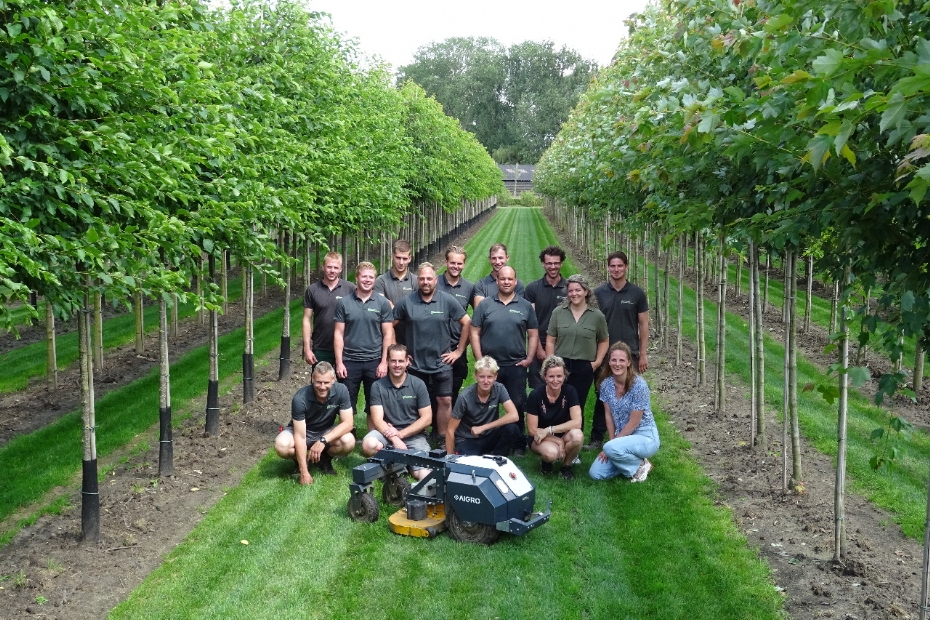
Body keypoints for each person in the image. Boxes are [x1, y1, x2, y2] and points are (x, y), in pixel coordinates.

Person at [393, 262, 471, 443]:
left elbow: (467, 322)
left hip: (441, 363)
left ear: (435, 280)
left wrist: (458, 351)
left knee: (444, 400)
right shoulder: (407, 302)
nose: (425, 282)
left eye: (429, 278)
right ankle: (417, 433)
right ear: (417, 281)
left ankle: (442, 437)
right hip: (415, 364)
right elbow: (389, 324)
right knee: (413, 401)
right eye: (422, 278)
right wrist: (399, 352)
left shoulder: (447, 300)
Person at [470, 266, 538, 456]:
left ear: (515, 282)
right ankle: (489, 440)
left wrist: (529, 358)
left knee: (516, 403)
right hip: (490, 368)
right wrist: (479, 359)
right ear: (497, 281)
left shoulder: (524, 306)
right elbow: (474, 331)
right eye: (502, 279)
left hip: (515, 365)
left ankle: (518, 443)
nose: (506, 282)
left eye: (510, 279)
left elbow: (533, 334)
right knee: (486, 404)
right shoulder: (485, 305)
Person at [589, 250, 650, 449]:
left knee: (629, 395)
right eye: (612, 266)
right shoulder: (598, 294)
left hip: (629, 354)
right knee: (603, 395)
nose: (616, 269)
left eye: (620, 266)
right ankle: (597, 439)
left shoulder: (637, 294)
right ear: (608, 268)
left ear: (626, 267)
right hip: (604, 354)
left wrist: (642, 354)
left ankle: (629, 437)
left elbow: (643, 325)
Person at [333, 261, 394, 433]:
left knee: (374, 402)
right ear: (357, 277)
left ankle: (372, 437)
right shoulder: (344, 303)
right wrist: (339, 362)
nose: (367, 280)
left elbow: (388, 334)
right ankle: (347, 437)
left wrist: (384, 362)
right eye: (364, 276)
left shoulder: (382, 304)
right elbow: (338, 334)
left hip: (374, 361)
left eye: (371, 277)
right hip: (349, 361)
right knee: (347, 402)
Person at [273, 362, 356, 485]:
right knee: (281, 445)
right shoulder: (300, 398)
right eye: (318, 382)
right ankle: (300, 462)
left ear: (333, 380)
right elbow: (300, 436)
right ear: (312, 378)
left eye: (326, 382)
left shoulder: (341, 390)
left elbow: (348, 423)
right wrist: (304, 472)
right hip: (303, 431)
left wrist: (323, 440)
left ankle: (325, 458)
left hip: (325, 430)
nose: (322, 387)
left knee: (348, 441)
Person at [545, 274, 609, 433]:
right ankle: (556, 437)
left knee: (577, 404)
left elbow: (603, 340)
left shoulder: (597, 316)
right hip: (561, 365)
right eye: (570, 291)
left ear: (586, 291)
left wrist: (597, 362)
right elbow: (551, 340)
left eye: (578, 290)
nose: (574, 294)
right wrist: (551, 363)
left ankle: (574, 443)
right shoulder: (558, 312)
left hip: (583, 367)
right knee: (558, 402)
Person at [589, 342, 659, 482]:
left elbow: (634, 422)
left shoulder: (639, 386)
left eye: (621, 360)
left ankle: (639, 465)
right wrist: (612, 443)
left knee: (611, 448)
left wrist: (611, 446)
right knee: (595, 473)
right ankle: (636, 463)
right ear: (609, 362)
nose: (617, 364)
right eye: (614, 360)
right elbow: (608, 417)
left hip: (645, 436)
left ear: (628, 363)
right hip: (621, 436)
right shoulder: (606, 385)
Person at [362, 345, 433, 480]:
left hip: (414, 436)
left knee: (423, 474)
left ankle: (397, 464)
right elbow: (377, 419)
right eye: (393, 361)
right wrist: (395, 438)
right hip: (387, 434)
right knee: (368, 444)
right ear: (387, 361)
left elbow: (427, 419)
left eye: (400, 361)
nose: (397, 365)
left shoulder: (418, 384)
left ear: (407, 362)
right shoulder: (377, 386)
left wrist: (400, 434)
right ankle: (397, 463)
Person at [447, 356, 521, 456]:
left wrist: (483, 427)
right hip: (468, 439)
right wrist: (450, 457)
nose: (486, 381)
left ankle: (497, 458)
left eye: (490, 377)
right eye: (482, 376)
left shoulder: (499, 389)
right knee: (467, 464)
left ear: (495, 377)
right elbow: (450, 430)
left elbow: (514, 415)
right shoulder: (465, 396)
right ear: (475, 376)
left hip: (489, 434)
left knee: (512, 429)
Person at [525, 355, 584, 479]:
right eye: (551, 376)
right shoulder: (535, 395)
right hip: (540, 438)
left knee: (578, 435)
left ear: (564, 376)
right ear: (544, 377)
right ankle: (546, 462)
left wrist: (549, 429)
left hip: (555, 433)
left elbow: (577, 422)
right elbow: (531, 430)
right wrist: (558, 441)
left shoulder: (570, 391)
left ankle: (566, 467)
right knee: (551, 454)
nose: (555, 380)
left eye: (559, 376)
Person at [435, 245, 475, 409]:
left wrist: (459, 350)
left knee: (453, 390)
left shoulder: (469, 287)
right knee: (433, 392)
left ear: (464, 264)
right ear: (446, 262)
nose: (455, 266)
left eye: (459, 263)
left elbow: (476, 319)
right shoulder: (434, 283)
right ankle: (434, 428)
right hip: (434, 347)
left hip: (457, 348)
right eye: (452, 263)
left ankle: (448, 430)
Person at [524, 246, 569, 390]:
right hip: (540, 343)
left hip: (564, 346)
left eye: (556, 263)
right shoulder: (533, 289)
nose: (553, 267)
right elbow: (530, 322)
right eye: (549, 263)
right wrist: (538, 348)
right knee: (539, 389)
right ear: (543, 264)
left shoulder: (570, 289)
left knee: (561, 389)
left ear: (561, 263)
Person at [302, 252, 354, 366]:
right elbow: (306, 319)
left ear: (341, 269)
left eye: (336, 268)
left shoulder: (350, 289)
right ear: (323, 267)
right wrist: (307, 348)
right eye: (329, 267)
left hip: (346, 348)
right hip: (321, 347)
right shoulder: (313, 290)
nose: (332, 270)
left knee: (345, 383)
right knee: (321, 383)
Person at [374, 239, 415, 346]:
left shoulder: (416, 281)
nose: (401, 262)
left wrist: (394, 307)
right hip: (386, 337)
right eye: (398, 258)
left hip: (411, 337)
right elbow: (381, 308)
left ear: (409, 258)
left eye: (405, 258)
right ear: (392, 256)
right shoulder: (381, 281)